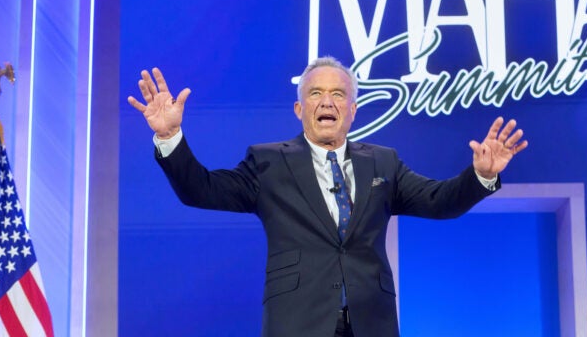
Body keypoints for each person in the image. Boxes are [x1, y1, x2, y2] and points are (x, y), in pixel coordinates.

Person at [128, 56, 527, 337]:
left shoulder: (383, 163)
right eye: (316, 93)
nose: (327, 102)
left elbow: (439, 201)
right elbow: (201, 189)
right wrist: (169, 137)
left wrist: (481, 175)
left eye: (338, 95)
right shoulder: (268, 163)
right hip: (298, 321)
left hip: (372, 322)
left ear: (352, 111)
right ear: (300, 108)